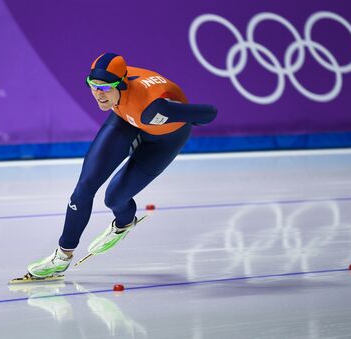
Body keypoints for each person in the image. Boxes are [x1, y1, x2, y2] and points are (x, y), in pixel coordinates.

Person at [25, 52, 217, 279]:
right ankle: (62, 257)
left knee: (114, 198)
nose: (99, 94)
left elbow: (209, 113)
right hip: (125, 121)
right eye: (93, 86)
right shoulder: (116, 88)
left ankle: (124, 224)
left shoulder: (153, 108)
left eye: (106, 88)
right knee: (83, 189)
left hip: (164, 139)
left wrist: (183, 115)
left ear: (122, 85)